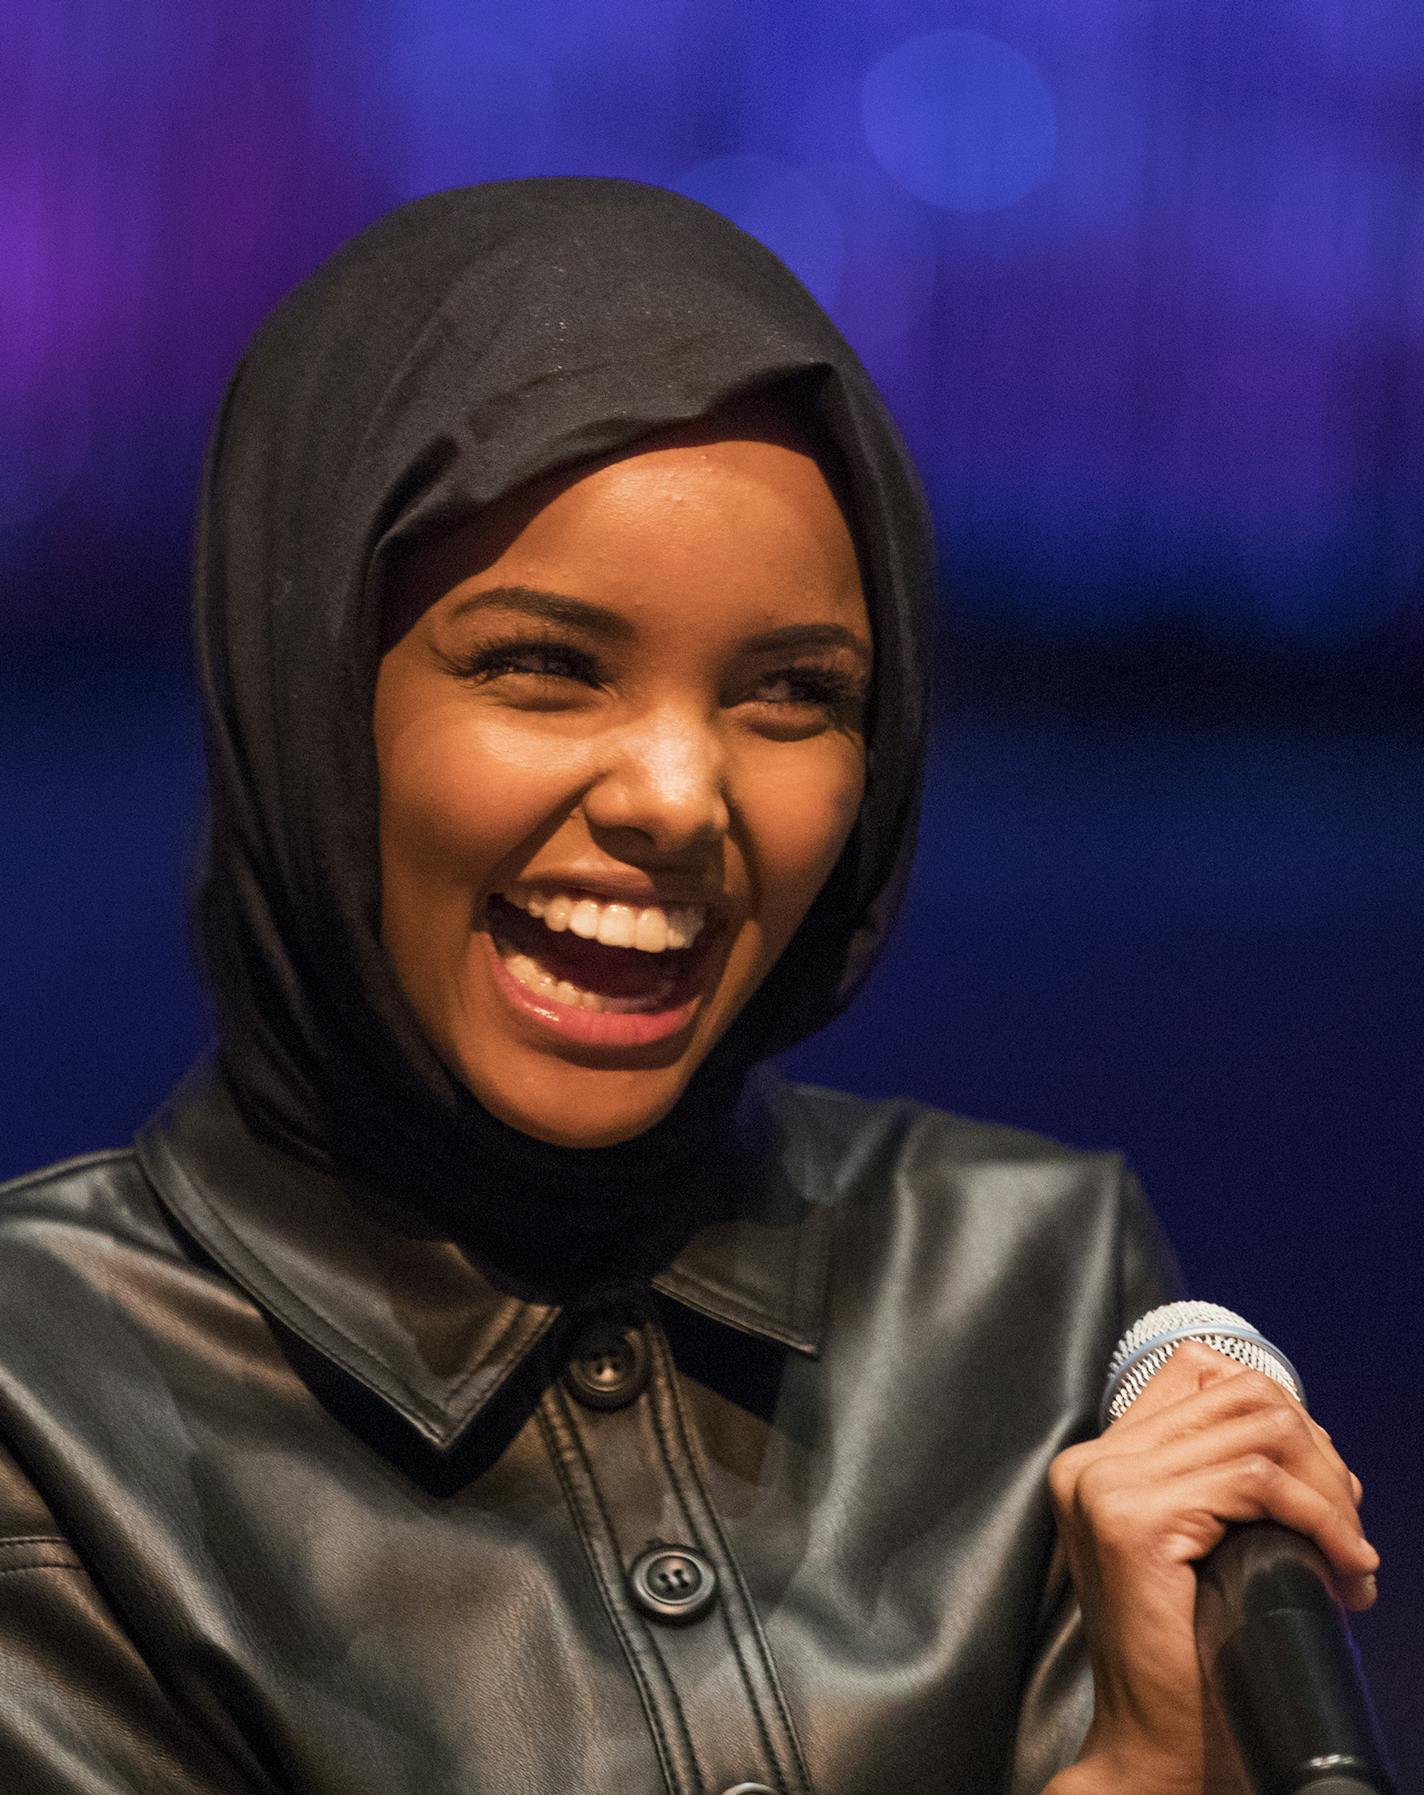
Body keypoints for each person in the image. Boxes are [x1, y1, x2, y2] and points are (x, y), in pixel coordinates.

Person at [0, 179, 1374, 1795]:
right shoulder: (45, 1393)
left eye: (796, 693)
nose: (677, 797)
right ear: (307, 695)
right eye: (546, 666)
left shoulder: (1039, 1277)